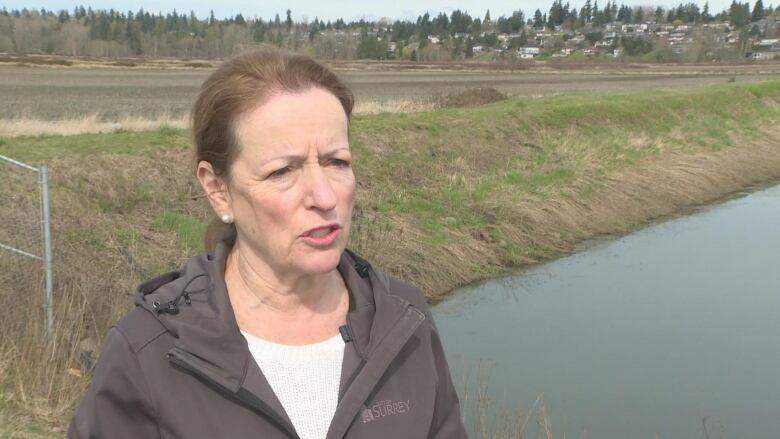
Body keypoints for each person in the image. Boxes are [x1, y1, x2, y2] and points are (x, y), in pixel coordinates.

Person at [67, 47, 467, 439]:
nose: (324, 197)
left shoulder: (403, 320)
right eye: (282, 171)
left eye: (337, 162)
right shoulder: (148, 353)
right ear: (218, 189)